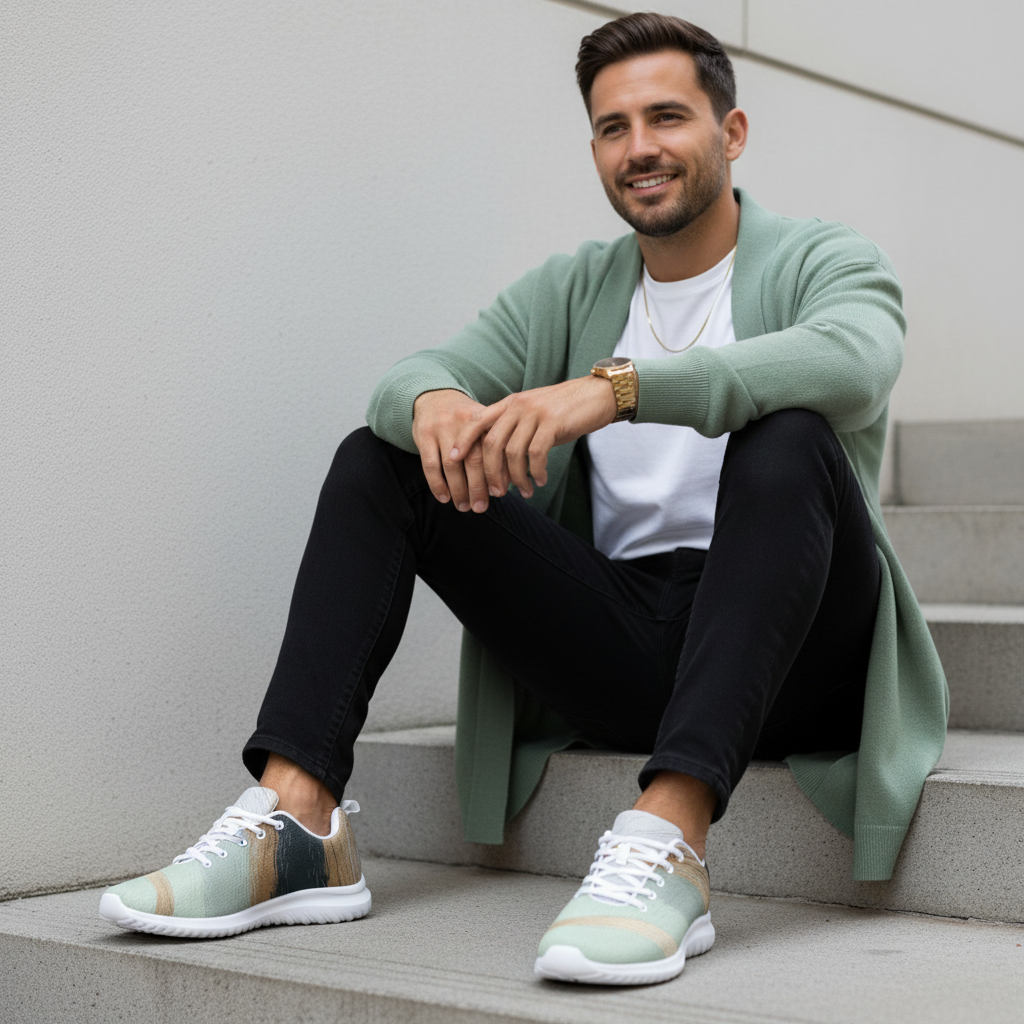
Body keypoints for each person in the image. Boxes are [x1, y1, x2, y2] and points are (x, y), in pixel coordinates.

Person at [99, 12, 947, 986]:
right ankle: (296, 819)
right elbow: (410, 378)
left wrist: (615, 389)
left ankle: (668, 842)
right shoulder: (572, 287)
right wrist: (444, 404)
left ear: (731, 132)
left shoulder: (822, 258)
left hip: (796, 650)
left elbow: (852, 359)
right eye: (612, 126)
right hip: (625, 640)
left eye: (665, 117)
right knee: (383, 457)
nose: (640, 148)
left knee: (789, 433)